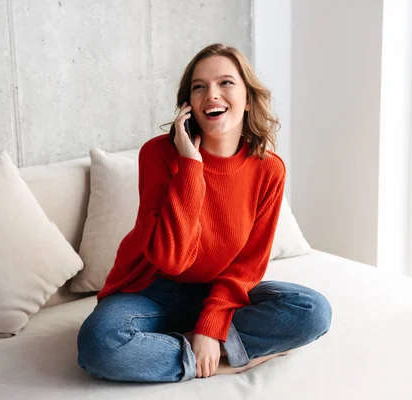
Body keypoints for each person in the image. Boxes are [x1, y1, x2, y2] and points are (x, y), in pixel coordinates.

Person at [77, 43, 332, 382]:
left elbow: (248, 265)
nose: (212, 94)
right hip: (149, 291)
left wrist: (211, 325)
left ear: (248, 97)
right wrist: (191, 167)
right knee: (99, 343)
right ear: (188, 105)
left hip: (218, 292)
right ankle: (225, 357)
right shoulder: (158, 155)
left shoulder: (268, 170)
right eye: (200, 87)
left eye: (226, 83)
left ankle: (190, 348)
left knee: (312, 312)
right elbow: (172, 260)